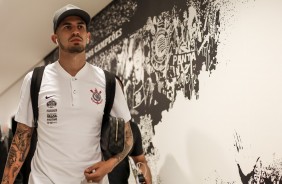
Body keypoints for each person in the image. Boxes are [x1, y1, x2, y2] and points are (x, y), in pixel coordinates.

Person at [1, 4, 133, 184]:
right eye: (67, 27)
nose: (75, 31)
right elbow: (22, 138)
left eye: (80, 26)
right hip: (44, 179)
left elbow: (128, 137)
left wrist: (109, 165)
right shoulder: (35, 79)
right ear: (55, 38)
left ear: (88, 36)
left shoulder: (108, 82)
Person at [108, 77, 152, 184]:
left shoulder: (131, 128)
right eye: (109, 91)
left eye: (118, 93)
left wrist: (143, 174)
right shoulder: (87, 128)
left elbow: (140, 161)